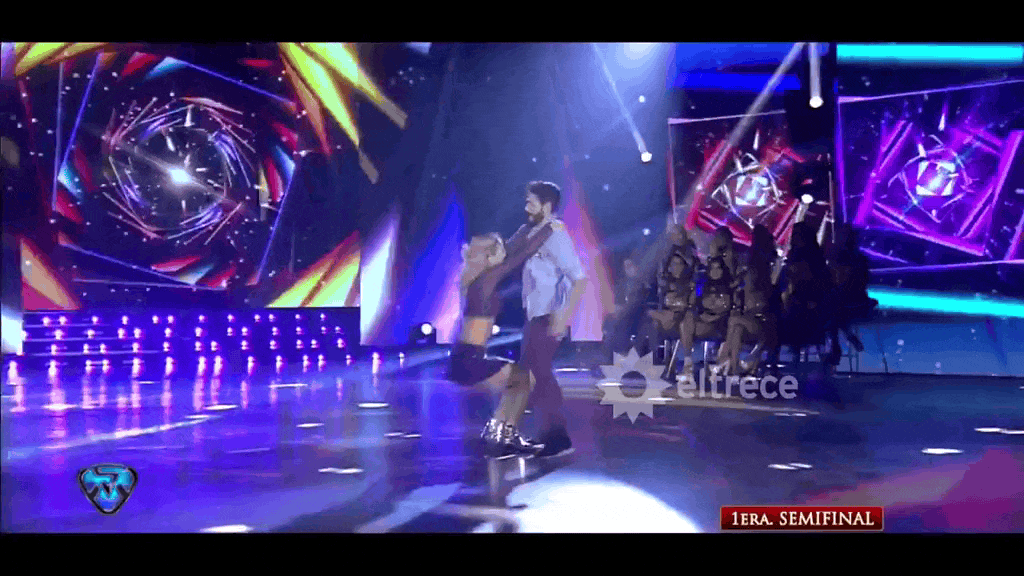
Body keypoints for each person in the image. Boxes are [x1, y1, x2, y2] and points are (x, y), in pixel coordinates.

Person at [447, 222, 557, 458]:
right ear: (489, 257)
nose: (503, 252)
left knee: (522, 380)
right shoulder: (484, 282)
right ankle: (501, 436)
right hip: (468, 360)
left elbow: (512, 249)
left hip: (467, 356)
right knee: (522, 380)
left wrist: (530, 224)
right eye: (498, 250)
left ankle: (501, 434)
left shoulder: (480, 279)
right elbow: (519, 255)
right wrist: (548, 228)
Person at [507, 181, 587, 458]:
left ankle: (557, 437)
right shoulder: (534, 233)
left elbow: (579, 279)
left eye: (531, 202)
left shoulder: (556, 235)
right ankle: (546, 433)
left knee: (540, 375)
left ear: (547, 205)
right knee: (532, 376)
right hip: (535, 315)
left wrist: (563, 318)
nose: (526, 207)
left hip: (549, 315)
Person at [713, 224, 780, 376]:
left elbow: (765, 309)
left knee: (734, 321)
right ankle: (734, 368)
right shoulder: (747, 275)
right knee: (736, 328)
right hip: (749, 321)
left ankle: (723, 358)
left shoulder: (766, 279)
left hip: (764, 323)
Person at [825, 224, 877, 366]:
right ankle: (847, 336)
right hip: (860, 302)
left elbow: (836, 281)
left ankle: (836, 344)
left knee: (832, 307)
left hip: (847, 302)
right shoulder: (862, 259)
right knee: (836, 307)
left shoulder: (838, 259)